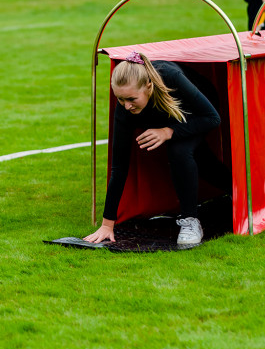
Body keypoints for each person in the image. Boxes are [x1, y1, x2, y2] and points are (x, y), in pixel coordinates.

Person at [83, 52, 222, 248]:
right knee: (204, 162)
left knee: (180, 151)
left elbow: (212, 118)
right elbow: (119, 167)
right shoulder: (125, 107)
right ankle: (231, 189)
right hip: (166, 113)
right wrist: (107, 224)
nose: (126, 105)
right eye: (120, 99)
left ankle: (191, 220)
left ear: (149, 86)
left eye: (131, 98)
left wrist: (168, 131)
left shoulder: (170, 77)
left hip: (197, 110)